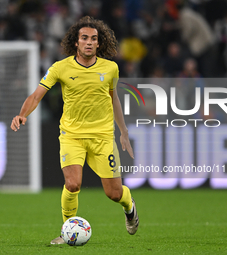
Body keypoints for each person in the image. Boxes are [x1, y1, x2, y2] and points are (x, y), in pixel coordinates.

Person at [10, 16, 139, 244]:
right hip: (72, 136)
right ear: (76, 42)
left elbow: (114, 99)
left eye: (94, 39)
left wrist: (123, 131)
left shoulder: (110, 68)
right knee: (72, 184)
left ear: (99, 43)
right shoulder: (60, 67)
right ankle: (65, 232)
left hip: (102, 137)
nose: (89, 42)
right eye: (84, 38)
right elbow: (36, 95)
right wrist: (22, 114)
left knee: (114, 194)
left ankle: (129, 207)